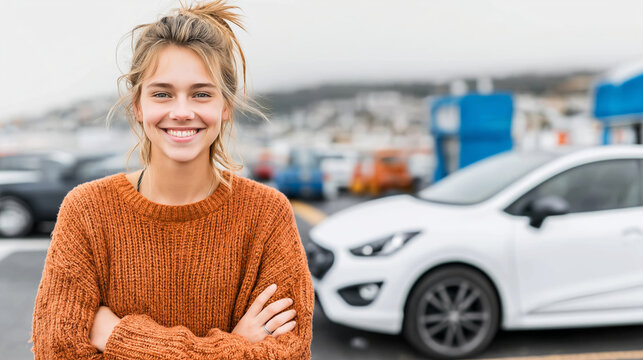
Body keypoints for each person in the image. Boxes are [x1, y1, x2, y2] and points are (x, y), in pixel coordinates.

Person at [30, 1, 314, 358]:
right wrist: (237, 346)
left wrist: (118, 334)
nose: (182, 112)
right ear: (138, 105)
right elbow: (57, 351)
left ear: (225, 107)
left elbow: (288, 352)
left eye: (201, 94)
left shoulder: (267, 215)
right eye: (162, 93)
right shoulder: (86, 211)